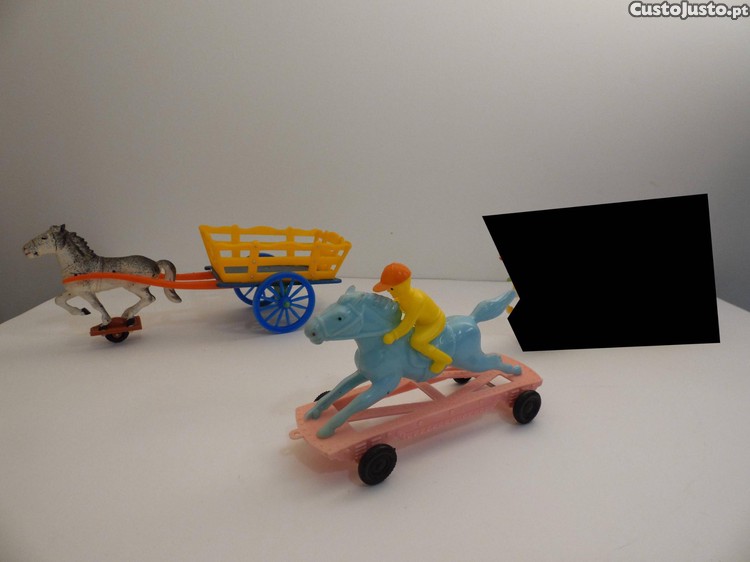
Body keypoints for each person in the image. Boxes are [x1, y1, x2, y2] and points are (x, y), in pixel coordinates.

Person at [373, 263, 452, 373]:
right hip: (421, 322)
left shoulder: (416, 300)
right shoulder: (402, 296)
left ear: (403, 285)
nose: (388, 291)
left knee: (417, 342)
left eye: (391, 288)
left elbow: (408, 323)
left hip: (433, 323)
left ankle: (442, 359)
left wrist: (394, 335)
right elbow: (400, 307)